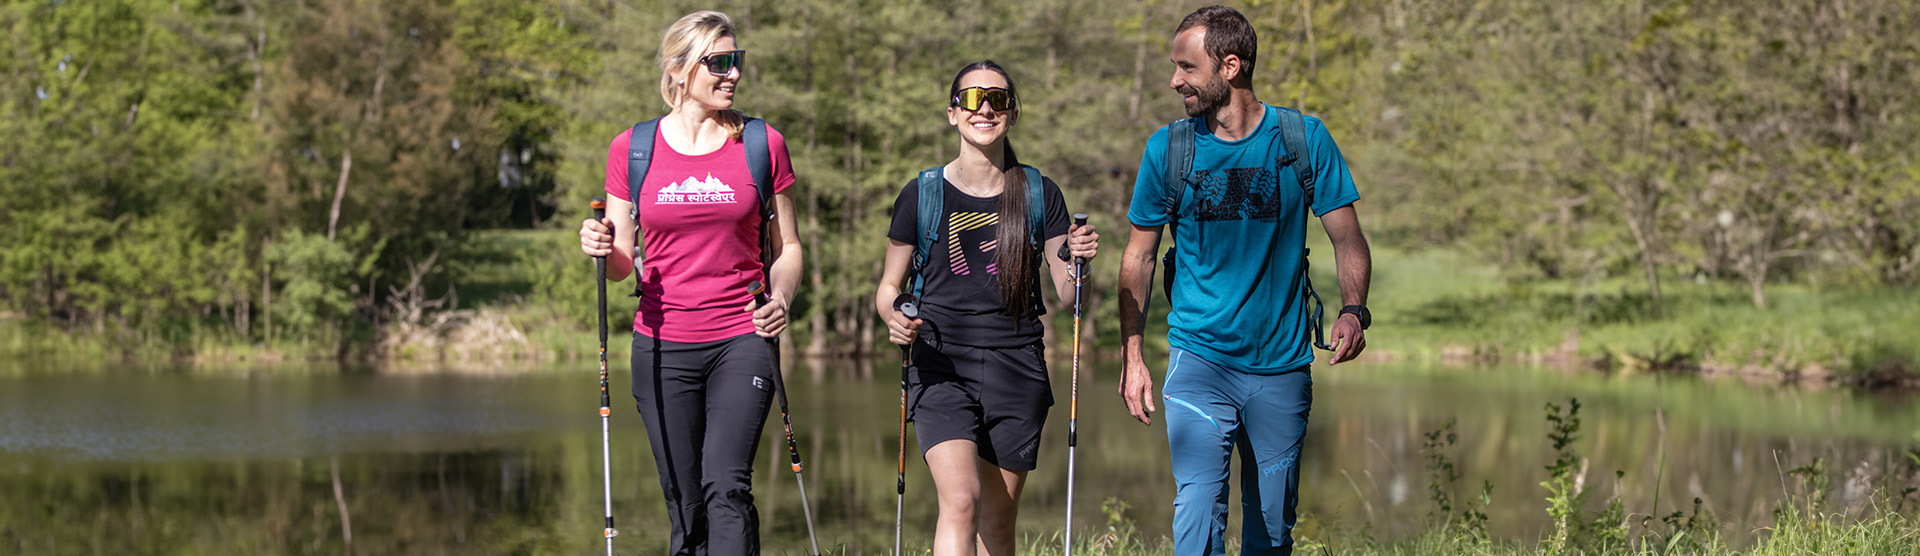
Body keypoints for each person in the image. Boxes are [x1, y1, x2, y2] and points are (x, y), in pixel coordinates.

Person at [1114, 6, 1373, 556]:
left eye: (1187, 67)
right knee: (1198, 517)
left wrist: (1354, 309)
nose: (1174, 80)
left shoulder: (1303, 140)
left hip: (1281, 366)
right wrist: (1132, 354)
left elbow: (1347, 237)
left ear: (1230, 67)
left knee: (1271, 533)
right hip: (1198, 360)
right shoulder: (1169, 150)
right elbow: (1138, 257)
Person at [576, 10, 801, 556]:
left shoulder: (762, 143)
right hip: (662, 343)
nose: (733, 73)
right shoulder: (633, 148)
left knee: (727, 486)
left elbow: (789, 248)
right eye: (718, 62)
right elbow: (622, 262)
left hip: (741, 338)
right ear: (678, 70)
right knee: (684, 500)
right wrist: (600, 247)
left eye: (736, 60)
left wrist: (781, 298)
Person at [873, 60, 1099, 556]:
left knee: (997, 524)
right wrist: (895, 316)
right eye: (972, 98)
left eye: (998, 99)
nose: (985, 109)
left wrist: (1079, 261)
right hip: (940, 366)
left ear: (1012, 114)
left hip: (1017, 368)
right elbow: (889, 287)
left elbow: (1069, 294)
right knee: (961, 502)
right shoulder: (922, 194)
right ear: (952, 113)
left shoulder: (1039, 193)